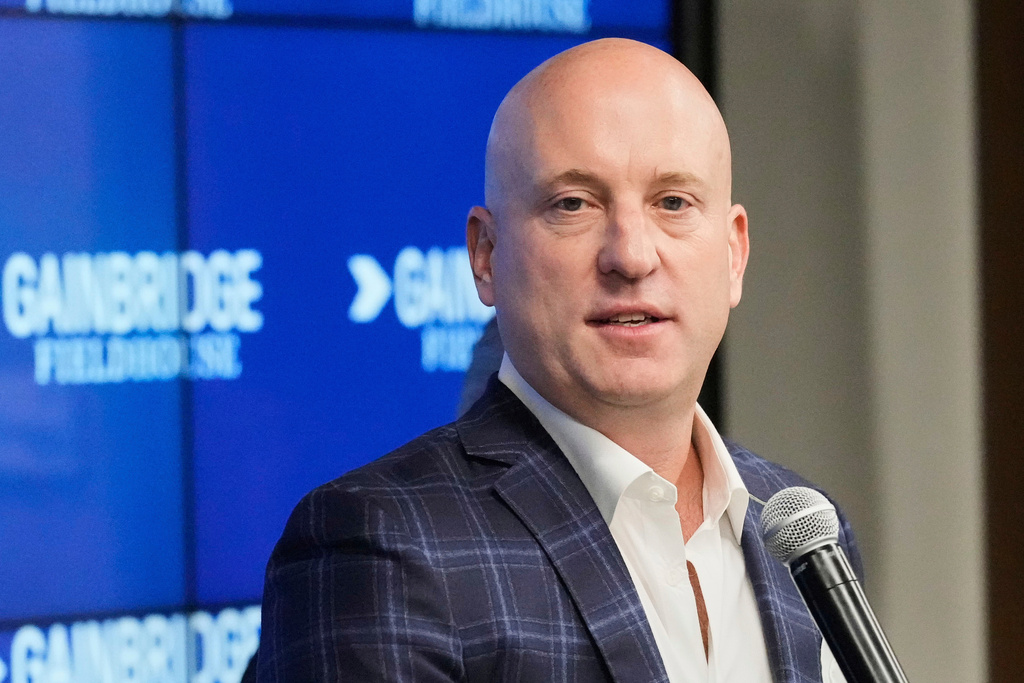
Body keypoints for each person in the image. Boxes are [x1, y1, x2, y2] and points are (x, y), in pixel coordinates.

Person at [257, 38, 859, 682]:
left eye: (673, 203)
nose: (632, 256)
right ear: (486, 256)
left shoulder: (803, 531)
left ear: (734, 254)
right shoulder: (377, 542)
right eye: (574, 204)